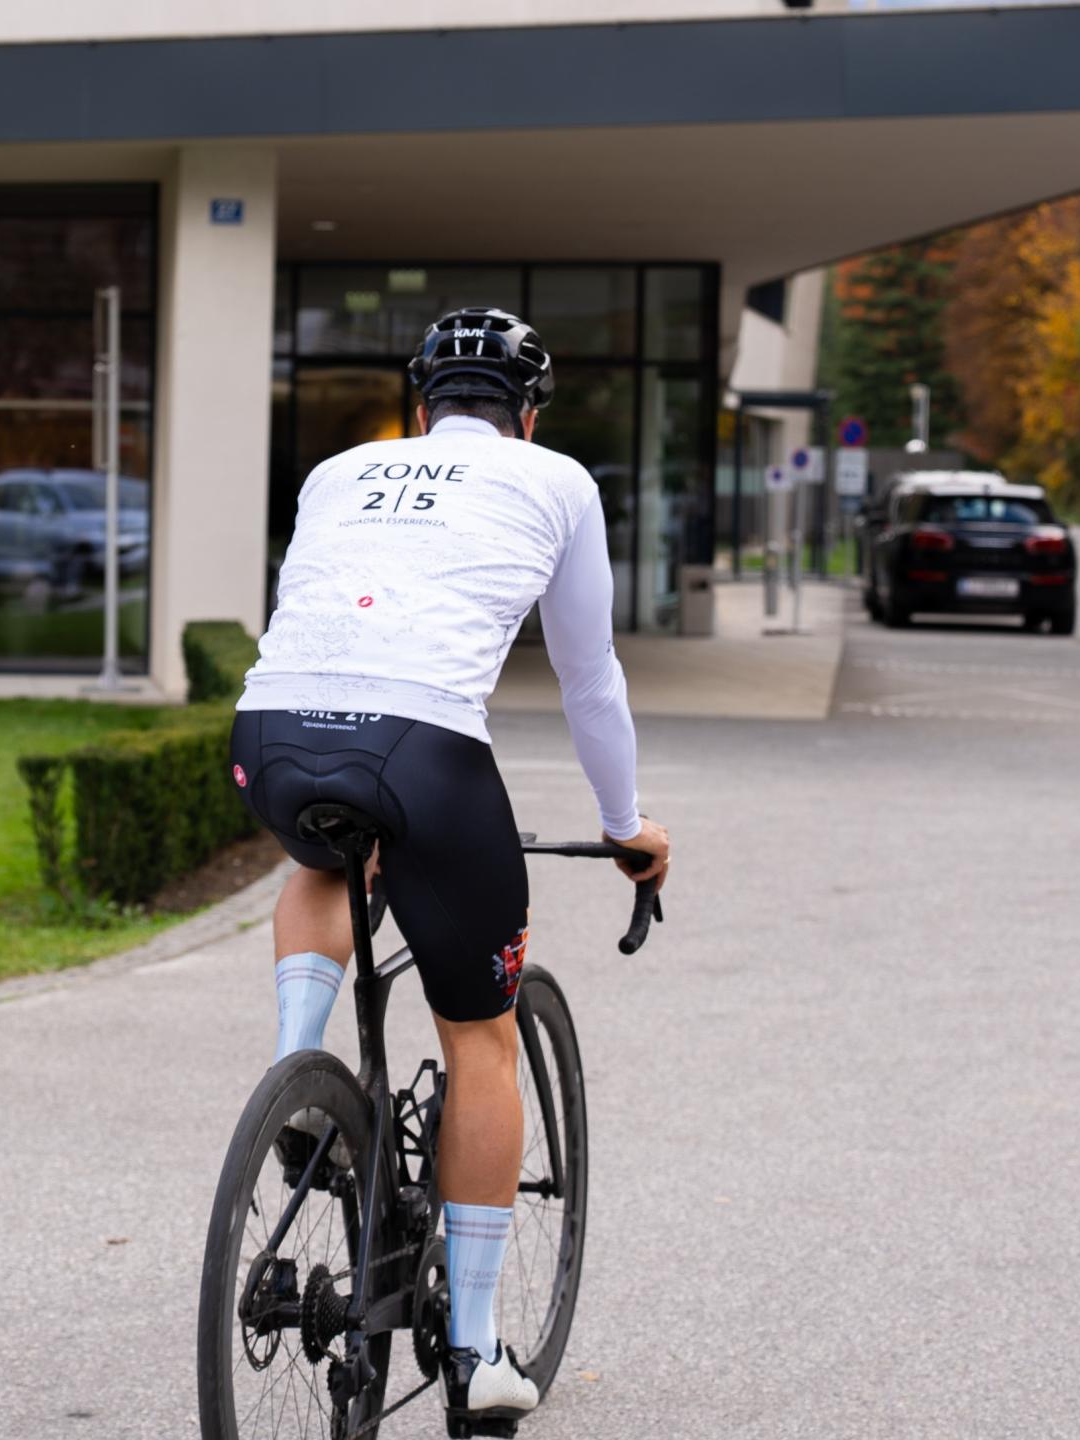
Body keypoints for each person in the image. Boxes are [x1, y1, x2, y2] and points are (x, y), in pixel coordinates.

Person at [229, 306, 672, 1426]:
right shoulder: (557, 481)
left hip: (270, 736)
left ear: (420, 407)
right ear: (529, 416)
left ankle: (297, 1081)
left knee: (325, 860)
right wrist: (625, 825)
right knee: (480, 1038)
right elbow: (589, 678)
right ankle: (475, 1353)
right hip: (423, 751)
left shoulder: (338, 470)